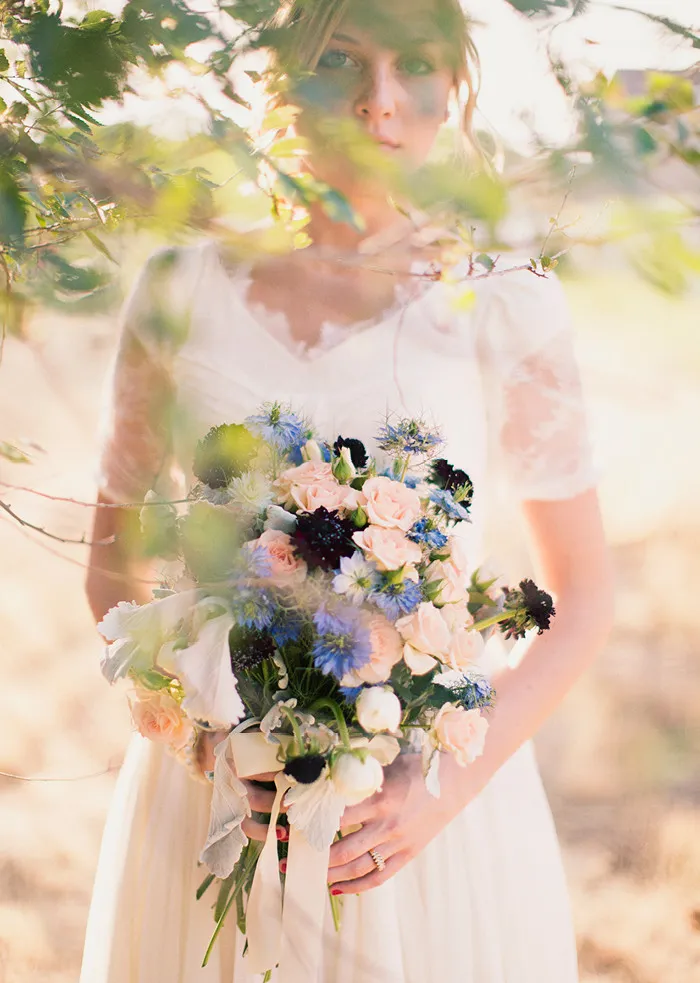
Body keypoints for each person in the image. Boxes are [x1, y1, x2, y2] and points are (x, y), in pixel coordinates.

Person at [81, 1, 614, 980]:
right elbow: (113, 564)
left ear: (452, 86)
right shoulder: (177, 288)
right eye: (340, 61)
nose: (379, 103)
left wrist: (440, 790)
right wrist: (208, 730)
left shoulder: (505, 301)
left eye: (413, 64)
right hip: (218, 799)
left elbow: (582, 598)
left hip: (423, 811)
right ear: (281, 77)